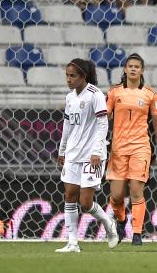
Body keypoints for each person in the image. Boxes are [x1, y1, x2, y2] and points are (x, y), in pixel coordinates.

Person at [55, 58, 118, 253]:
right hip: (73, 154)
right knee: (69, 196)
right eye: (67, 75)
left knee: (86, 202)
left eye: (72, 75)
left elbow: (102, 124)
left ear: (83, 76)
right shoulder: (69, 97)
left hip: (92, 155)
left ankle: (108, 223)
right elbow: (67, 126)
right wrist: (62, 150)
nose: (69, 79)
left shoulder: (95, 95)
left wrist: (98, 151)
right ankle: (73, 242)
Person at [106, 53, 157, 246]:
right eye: (130, 66)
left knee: (135, 191)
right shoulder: (114, 92)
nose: (133, 69)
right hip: (118, 149)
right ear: (125, 69)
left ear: (142, 70)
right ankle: (122, 220)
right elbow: (104, 118)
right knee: (116, 197)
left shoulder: (150, 94)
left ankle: (138, 234)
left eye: (137, 66)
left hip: (141, 147)